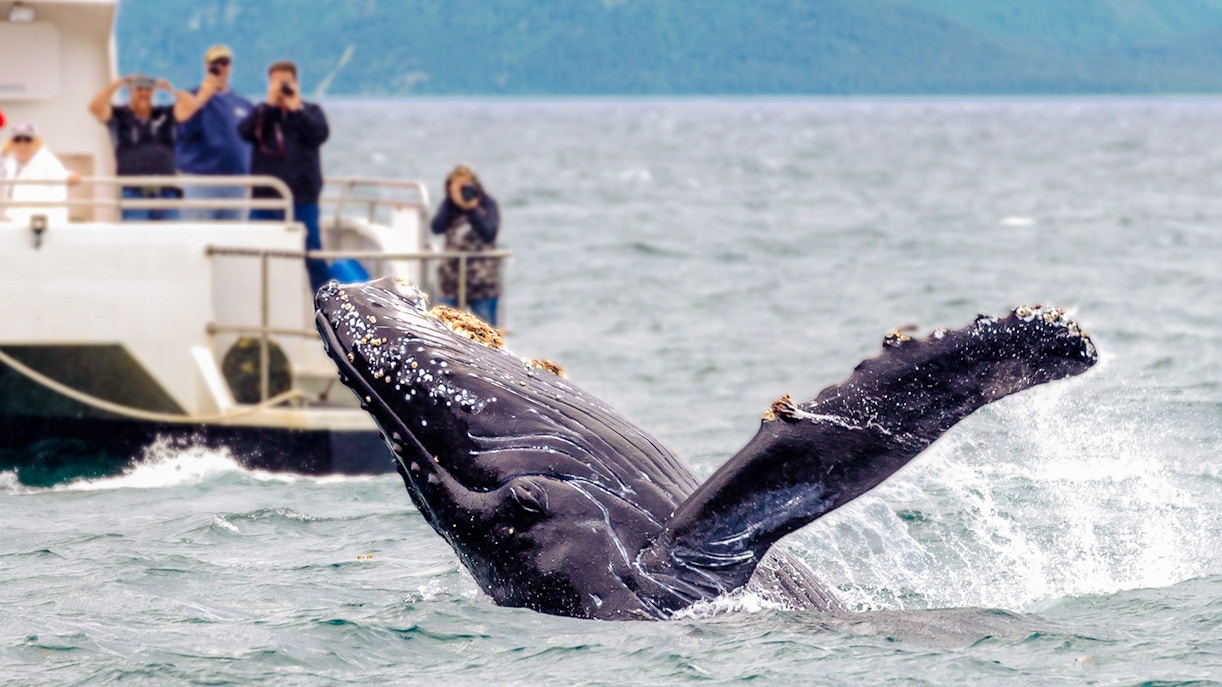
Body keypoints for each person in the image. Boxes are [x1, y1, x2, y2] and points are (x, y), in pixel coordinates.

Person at [238, 60, 331, 293]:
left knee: (314, 256)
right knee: (256, 256)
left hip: (303, 198)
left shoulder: (310, 112)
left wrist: (296, 108)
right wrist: (270, 106)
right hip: (266, 200)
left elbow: (320, 134)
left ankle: (329, 312)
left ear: (296, 83)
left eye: (285, 82)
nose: (281, 87)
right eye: (276, 82)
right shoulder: (262, 114)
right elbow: (245, 132)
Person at [89, 73, 200, 221]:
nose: (143, 93)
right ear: (130, 92)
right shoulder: (119, 115)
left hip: (166, 193)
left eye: (147, 90)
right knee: (138, 242)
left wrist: (171, 90)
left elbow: (192, 106)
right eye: (138, 89)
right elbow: (95, 107)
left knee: (172, 241)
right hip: (134, 194)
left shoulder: (164, 114)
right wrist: (117, 84)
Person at [176, 45, 254, 220]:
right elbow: (183, 130)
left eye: (225, 63)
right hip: (200, 182)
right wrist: (201, 99)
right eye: (215, 64)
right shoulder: (189, 97)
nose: (220, 68)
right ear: (206, 67)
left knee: (232, 242)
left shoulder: (243, 104)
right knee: (198, 237)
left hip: (236, 184)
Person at [430, 164, 503, 326]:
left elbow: (489, 233)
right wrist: (451, 200)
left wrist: (472, 209)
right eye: (458, 187)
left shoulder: (487, 204)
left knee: (485, 333)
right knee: (443, 330)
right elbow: (436, 227)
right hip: (450, 280)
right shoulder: (450, 206)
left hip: (482, 280)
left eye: (466, 186)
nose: (464, 191)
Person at [0, 123, 78, 225]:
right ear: (12, 143)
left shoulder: (46, 160)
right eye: (17, 139)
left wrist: (71, 177)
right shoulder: (11, 163)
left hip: (44, 222)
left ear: (36, 142)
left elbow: (64, 175)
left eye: (28, 139)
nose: (22, 144)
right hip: (17, 220)